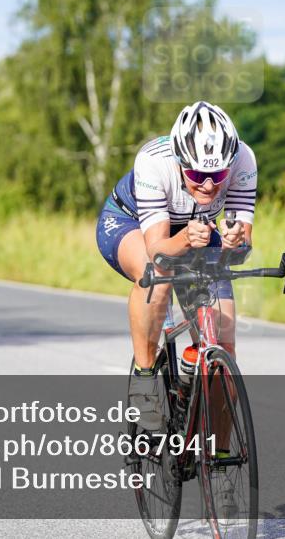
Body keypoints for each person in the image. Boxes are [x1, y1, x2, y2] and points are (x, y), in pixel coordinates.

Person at [95, 101, 257, 430]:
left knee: (224, 345)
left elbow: (243, 245)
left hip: (198, 228)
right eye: (198, 175)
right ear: (181, 161)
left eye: (218, 175)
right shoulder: (154, 162)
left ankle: (219, 460)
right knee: (156, 275)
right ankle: (144, 380)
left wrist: (236, 240)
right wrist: (183, 239)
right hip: (132, 224)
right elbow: (157, 250)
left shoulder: (243, 159)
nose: (210, 185)